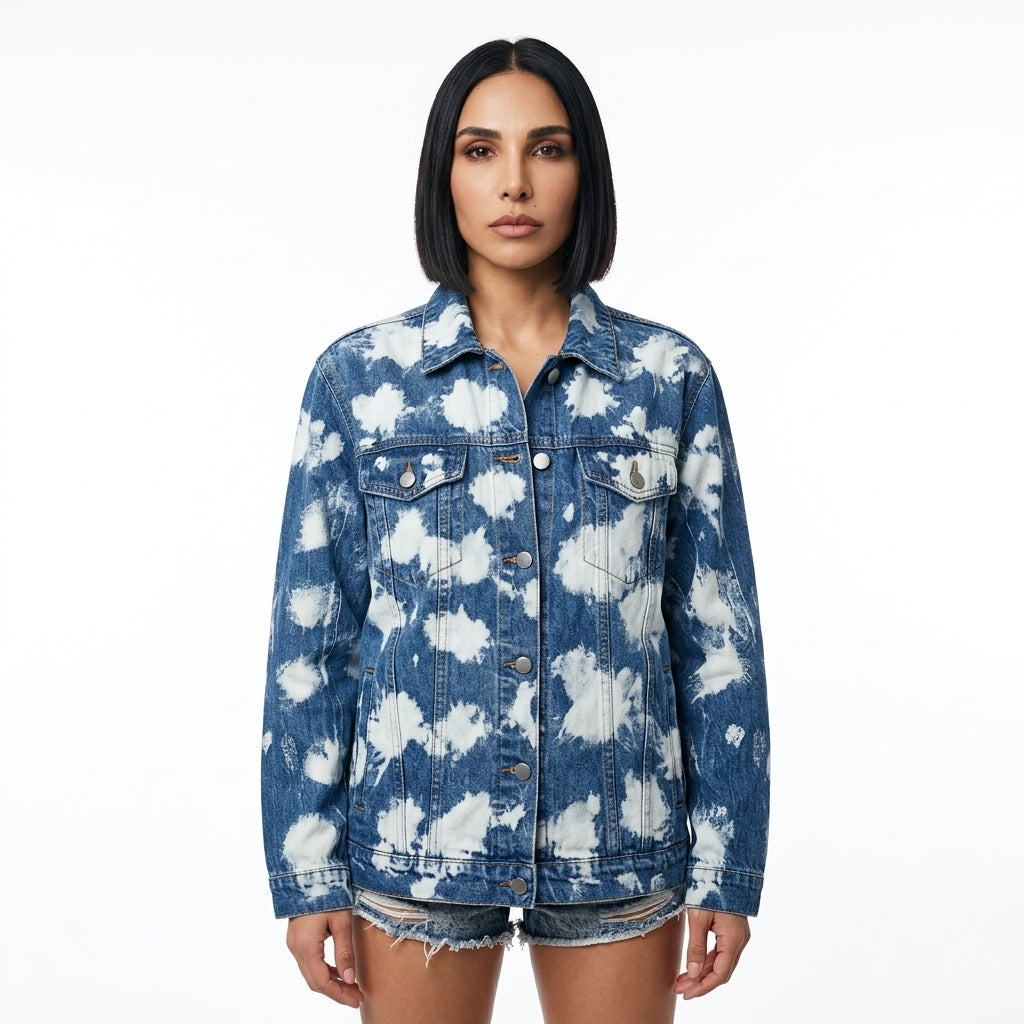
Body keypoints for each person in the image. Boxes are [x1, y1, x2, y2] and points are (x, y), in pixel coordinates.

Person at [262, 37, 770, 1024]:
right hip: (415, 838)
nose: (514, 183)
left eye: (547, 148)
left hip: (618, 838)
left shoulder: (667, 379)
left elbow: (717, 641)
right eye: (480, 150)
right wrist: (306, 868)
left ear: (586, 172)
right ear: (443, 174)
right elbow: (314, 643)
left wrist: (729, 859)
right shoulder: (358, 382)